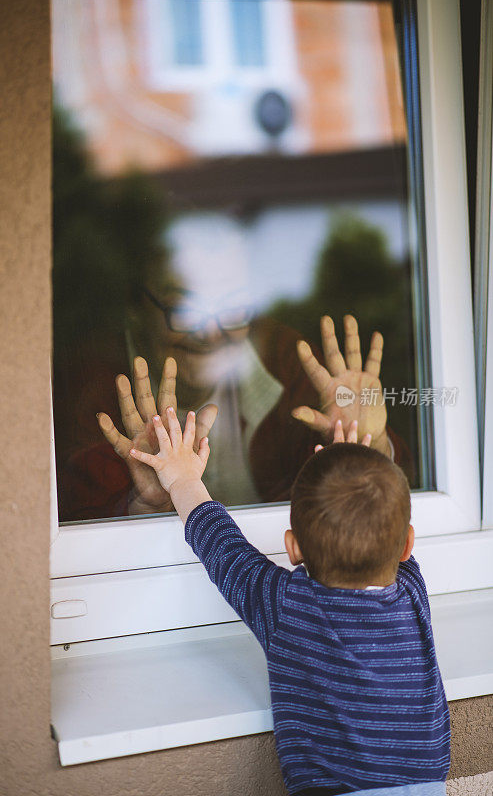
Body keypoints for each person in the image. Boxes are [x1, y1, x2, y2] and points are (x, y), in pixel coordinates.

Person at [130, 410, 450, 796]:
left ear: (292, 548)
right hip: (427, 786)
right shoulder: (412, 593)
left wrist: (182, 478)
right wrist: (359, 469)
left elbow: (222, 546)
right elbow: (385, 525)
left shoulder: (289, 606)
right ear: (407, 545)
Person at [55, 211, 413, 522]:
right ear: (137, 308)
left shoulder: (286, 360)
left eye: (231, 307)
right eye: (184, 309)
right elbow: (76, 540)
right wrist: (140, 506)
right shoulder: (93, 387)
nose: (212, 333)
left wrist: (374, 446)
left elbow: (385, 508)